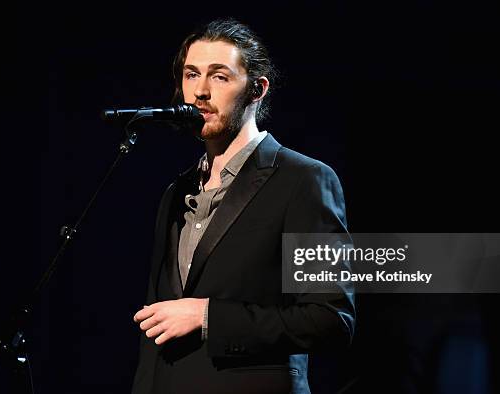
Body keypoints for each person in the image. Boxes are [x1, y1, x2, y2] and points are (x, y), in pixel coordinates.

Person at [132, 18, 355, 394]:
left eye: (219, 77)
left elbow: (330, 319)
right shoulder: (176, 192)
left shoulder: (304, 180)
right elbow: (155, 336)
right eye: (191, 75)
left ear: (256, 89)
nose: (200, 91)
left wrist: (208, 316)